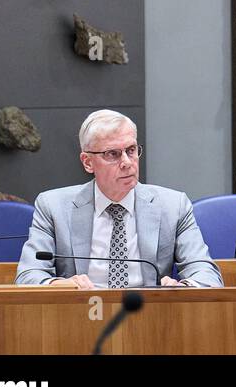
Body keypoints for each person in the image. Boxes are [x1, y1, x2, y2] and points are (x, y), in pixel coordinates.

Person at [16, 110, 223, 288]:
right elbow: (28, 276)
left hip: (151, 318)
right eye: (113, 154)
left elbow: (207, 274)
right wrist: (62, 285)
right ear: (88, 162)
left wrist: (182, 288)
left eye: (131, 150)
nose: (127, 162)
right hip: (80, 318)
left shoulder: (173, 206)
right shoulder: (53, 207)